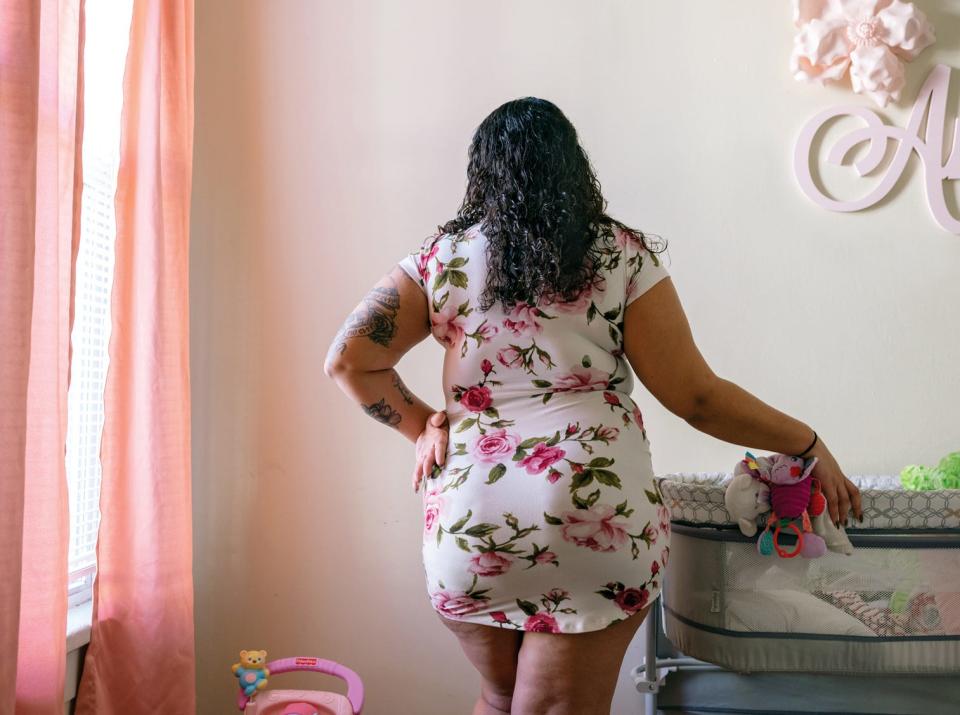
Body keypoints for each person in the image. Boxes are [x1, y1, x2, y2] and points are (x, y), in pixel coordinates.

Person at [324, 97, 863, 715]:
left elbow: (348, 360)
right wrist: (806, 442)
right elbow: (697, 397)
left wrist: (422, 426)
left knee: (498, 699)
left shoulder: (439, 260)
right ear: (574, 167)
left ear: (482, 172)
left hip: (472, 527)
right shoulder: (618, 254)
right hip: (591, 520)